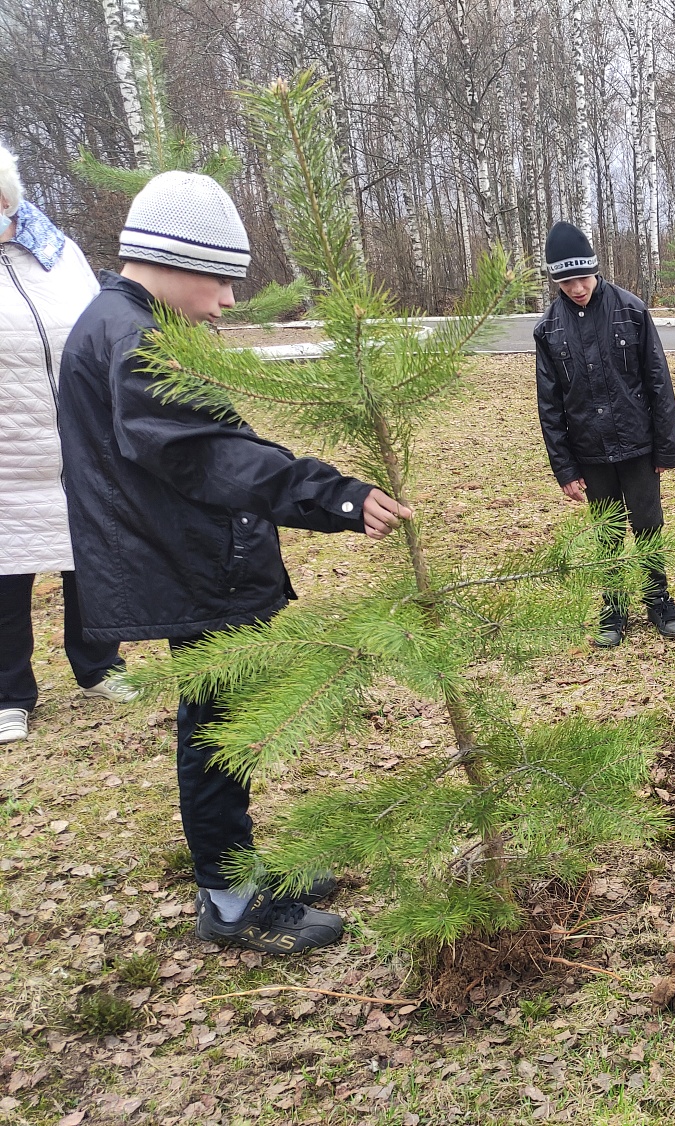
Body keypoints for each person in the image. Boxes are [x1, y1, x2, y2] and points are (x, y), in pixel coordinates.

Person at [56, 171, 413, 953]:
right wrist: (335, 497)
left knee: (219, 730)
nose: (225, 302)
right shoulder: (137, 340)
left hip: (190, 562)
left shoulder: (123, 323)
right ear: (170, 260)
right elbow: (210, 457)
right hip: (193, 570)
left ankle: (238, 869)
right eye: (217, 279)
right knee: (215, 737)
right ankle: (230, 902)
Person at [0, 144, 136, 747]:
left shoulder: (60, 254)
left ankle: (100, 665)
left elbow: (98, 325)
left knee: (90, 556)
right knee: (5, 576)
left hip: (78, 435)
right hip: (7, 451)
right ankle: (8, 695)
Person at [534, 220, 675, 648]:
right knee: (607, 533)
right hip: (590, 451)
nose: (576, 288)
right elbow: (550, 404)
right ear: (555, 281)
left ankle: (658, 600)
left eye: (582, 278)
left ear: (595, 269)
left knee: (648, 525)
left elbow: (658, 381)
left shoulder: (631, 310)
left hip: (638, 446)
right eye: (566, 282)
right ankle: (614, 606)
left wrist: (665, 449)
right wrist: (565, 469)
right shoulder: (548, 329)